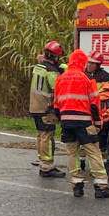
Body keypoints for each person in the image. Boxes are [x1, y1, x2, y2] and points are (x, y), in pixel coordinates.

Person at [53, 49, 109, 199]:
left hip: (67, 122)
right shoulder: (86, 79)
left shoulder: (60, 78)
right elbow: (94, 104)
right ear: (82, 63)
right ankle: (101, 187)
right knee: (93, 152)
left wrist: (62, 120)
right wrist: (98, 123)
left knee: (72, 153)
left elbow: (56, 104)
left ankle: (77, 185)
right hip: (84, 121)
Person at [29, 41, 65, 178]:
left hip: (35, 106)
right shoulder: (51, 71)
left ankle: (42, 160)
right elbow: (57, 88)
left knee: (41, 135)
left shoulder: (39, 66)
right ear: (55, 57)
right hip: (46, 107)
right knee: (47, 136)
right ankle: (47, 166)